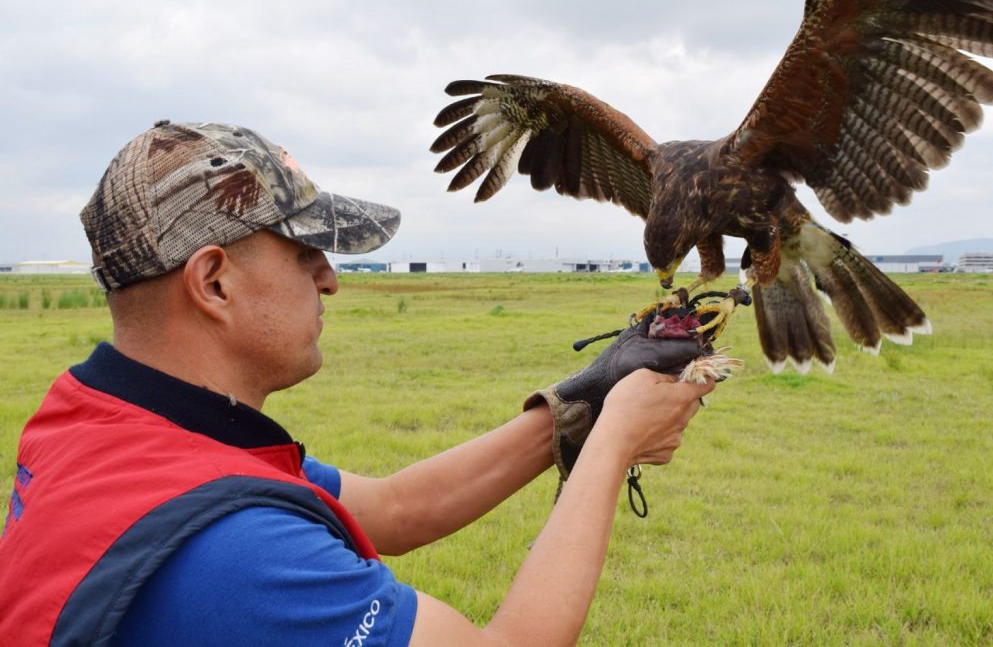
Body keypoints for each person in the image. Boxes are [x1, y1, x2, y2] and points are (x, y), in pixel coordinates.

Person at [0, 121, 714, 646]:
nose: (332, 279)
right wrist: (616, 436)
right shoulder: (239, 551)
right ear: (213, 281)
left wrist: (581, 401)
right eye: (306, 250)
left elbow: (398, 508)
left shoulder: (103, 424)